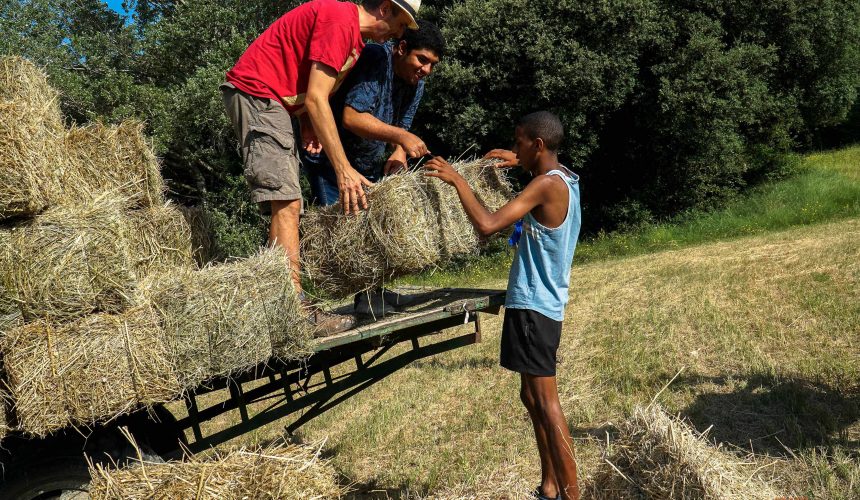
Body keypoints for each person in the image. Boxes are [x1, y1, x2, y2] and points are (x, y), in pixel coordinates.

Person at [221, 0, 421, 334]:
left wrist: (307, 123)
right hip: (259, 95)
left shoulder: (355, 42)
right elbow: (316, 96)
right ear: (385, 9)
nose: (400, 34)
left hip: (277, 103)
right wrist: (342, 169)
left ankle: (281, 305)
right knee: (286, 201)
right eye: (402, 25)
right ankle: (295, 311)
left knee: (286, 202)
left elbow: (309, 88)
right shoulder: (339, 21)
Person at [424, 111, 582, 500]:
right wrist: (521, 161)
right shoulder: (565, 180)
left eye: (519, 143)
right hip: (538, 305)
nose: (514, 149)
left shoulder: (546, 186)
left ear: (538, 145)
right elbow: (544, 174)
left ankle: (574, 494)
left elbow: (488, 224)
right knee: (531, 397)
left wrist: (458, 181)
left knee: (546, 402)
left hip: (535, 308)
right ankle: (549, 487)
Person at [302, 20, 444, 206]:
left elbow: (402, 125)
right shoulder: (376, 57)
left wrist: (399, 152)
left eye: (433, 65)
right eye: (422, 59)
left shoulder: (417, 82)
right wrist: (402, 137)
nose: (426, 70)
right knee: (338, 227)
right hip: (332, 162)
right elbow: (352, 117)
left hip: (367, 169)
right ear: (402, 48)